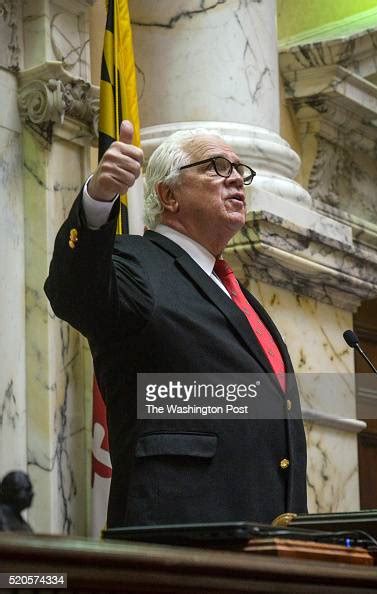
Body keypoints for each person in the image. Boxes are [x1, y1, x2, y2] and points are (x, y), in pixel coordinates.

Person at [45, 121, 307, 528]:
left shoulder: (239, 295)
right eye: (218, 166)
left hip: (269, 540)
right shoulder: (137, 263)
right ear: (168, 195)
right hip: (184, 535)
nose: (237, 178)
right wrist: (97, 199)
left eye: (241, 170)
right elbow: (73, 291)